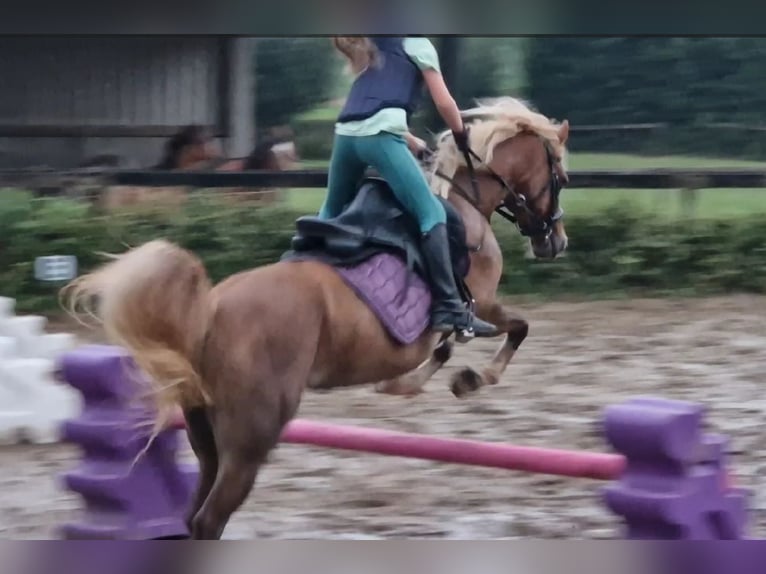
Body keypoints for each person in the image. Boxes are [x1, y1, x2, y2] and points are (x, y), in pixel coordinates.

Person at [318, 36, 497, 341]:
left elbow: (372, 102)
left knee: (331, 210)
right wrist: (461, 133)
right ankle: (449, 308)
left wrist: (412, 142)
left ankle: (297, 260)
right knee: (431, 214)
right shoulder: (418, 43)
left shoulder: (374, 43)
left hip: (346, 136)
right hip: (380, 136)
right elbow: (444, 102)